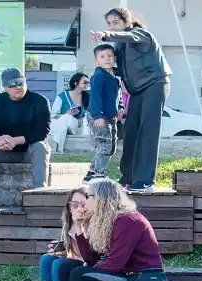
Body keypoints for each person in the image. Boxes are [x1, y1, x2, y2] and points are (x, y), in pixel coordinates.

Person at [92, 8, 171, 194]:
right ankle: (128, 178)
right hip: (137, 90)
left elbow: (130, 37)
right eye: (109, 23)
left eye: (116, 23)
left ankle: (144, 182)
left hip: (154, 84)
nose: (112, 26)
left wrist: (106, 35)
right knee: (131, 132)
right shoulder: (119, 45)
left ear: (127, 22)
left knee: (147, 132)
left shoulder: (140, 34)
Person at [66, 178, 167, 281]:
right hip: (125, 279)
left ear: (100, 199)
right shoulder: (110, 221)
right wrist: (79, 226)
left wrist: (92, 268)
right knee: (66, 267)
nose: (84, 202)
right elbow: (92, 259)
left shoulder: (128, 220)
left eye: (87, 196)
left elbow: (114, 264)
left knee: (79, 274)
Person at [0, 68, 52, 208]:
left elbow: (41, 133)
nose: (17, 87)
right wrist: (0, 140)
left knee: (41, 146)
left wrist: (15, 140)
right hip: (3, 149)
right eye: (12, 85)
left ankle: (39, 195)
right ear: (5, 87)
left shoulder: (40, 101)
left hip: (29, 151)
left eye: (20, 83)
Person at [38, 187, 89, 281]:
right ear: (69, 207)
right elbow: (74, 251)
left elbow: (89, 254)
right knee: (47, 259)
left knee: (59, 264)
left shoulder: (93, 222)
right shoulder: (69, 221)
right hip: (77, 259)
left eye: (83, 205)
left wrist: (79, 225)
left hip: (90, 262)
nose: (79, 209)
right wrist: (61, 251)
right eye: (74, 205)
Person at [86, 44, 120, 183]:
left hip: (110, 116)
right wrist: (98, 116)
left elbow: (116, 96)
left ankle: (91, 172)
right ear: (96, 61)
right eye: (102, 57)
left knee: (111, 147)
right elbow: (95, 97)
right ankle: (99, 175)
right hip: (98, 116)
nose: (107, 59)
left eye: (110, 56)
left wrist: (120, 109)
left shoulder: (114, 75)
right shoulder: (99, 76)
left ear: (115, 58)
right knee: (104, 144)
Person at [49, 72, 91, 154]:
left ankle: (57, 147)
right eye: (84, 82)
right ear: (76, 83)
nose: (87, 85)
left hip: (77, 126)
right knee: (66, 118)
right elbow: (53, 116)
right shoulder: (62, 96)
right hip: (61, 123)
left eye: (88, 83)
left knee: (67, 118)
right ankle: (56, 147)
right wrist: (67, 114)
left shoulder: (87, 96)